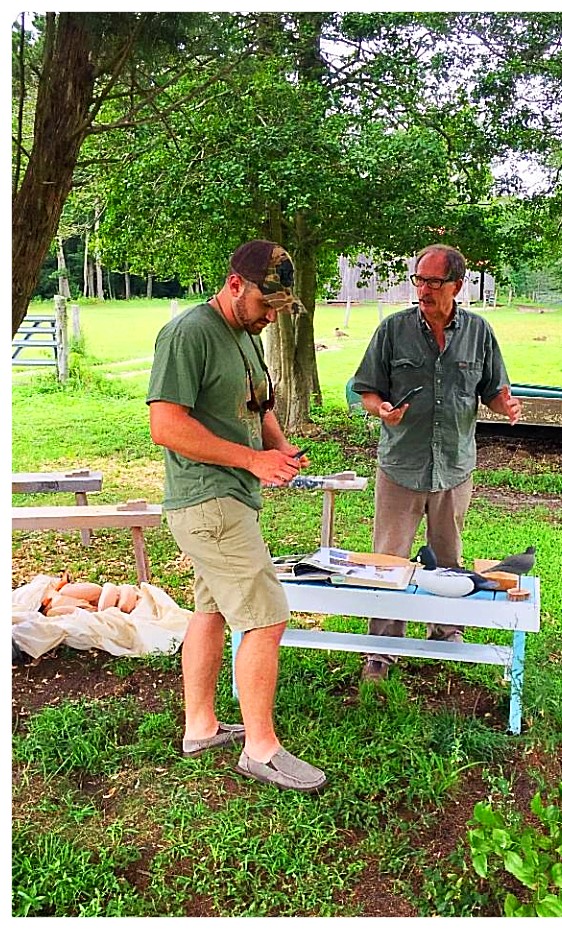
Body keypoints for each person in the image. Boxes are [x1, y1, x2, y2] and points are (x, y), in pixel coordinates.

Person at [146, 239, 327, 792]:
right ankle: (261, 749)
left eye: (278, 307)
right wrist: (252, 459)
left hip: (230, 497)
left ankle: (200, 727)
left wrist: (280, 447)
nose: (270, 315)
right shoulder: (190, 333)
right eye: (265, 304)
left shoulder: (245, 335)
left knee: (212, 610)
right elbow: (166, 426)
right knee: (267, 617)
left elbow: (259, 405)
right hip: (208, 500)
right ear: (233, 285)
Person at [351, 244, 522, 682]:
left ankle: (446, 631)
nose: (423, 290)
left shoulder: (479, 332)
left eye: (433, 282)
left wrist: (504, 404)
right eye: (419, 280)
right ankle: (382, 651)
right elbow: (365, 389)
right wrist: (381, 409)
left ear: (457, 286)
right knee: (388, 562)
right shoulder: (393, 330)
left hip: (454, 466)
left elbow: (493, 389)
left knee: (449, 556)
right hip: (401, 466)